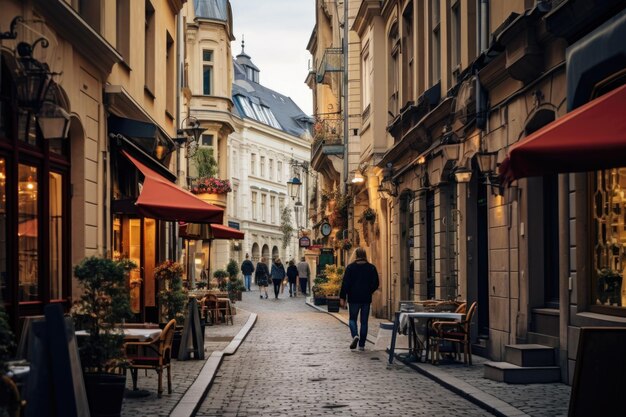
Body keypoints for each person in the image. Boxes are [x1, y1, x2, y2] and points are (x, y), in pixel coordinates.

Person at [339, 247, 379, 351]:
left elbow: (345, 284)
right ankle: (362, 345)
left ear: (356, 255)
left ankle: (355, 335)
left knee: (352, 319)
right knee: (364, 322)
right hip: (366, 298)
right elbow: (376, 283)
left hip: (353, 298)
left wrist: (342, 297)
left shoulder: (350, 268)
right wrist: (369, 290)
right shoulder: (371, 268)